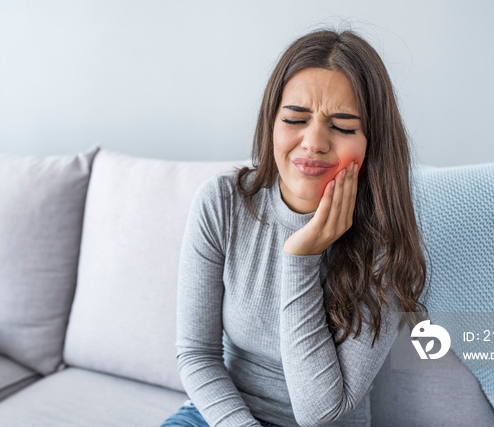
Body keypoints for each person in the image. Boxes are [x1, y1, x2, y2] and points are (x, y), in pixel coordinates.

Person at [161, 28, 429, 427]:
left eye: (342, 126)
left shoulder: (385, 245)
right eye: (295, 119)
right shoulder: (221, 203)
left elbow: (319, 413)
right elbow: (197, 354)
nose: (314, 142)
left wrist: (300, 256)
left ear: (373, 144)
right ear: (272, 124)